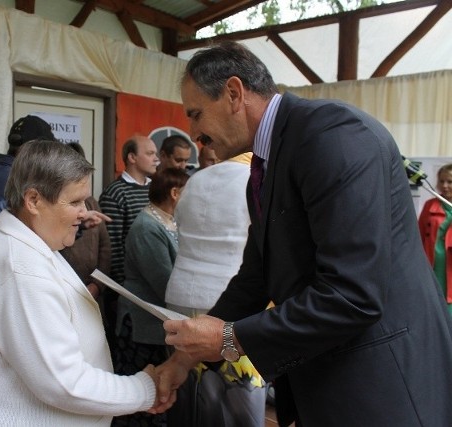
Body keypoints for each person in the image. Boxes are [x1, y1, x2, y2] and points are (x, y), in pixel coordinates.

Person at [153, 41, 452, 426]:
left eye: (196, 115)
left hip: (381, 384)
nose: (195, 135)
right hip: (333, 379)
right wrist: (185, 358)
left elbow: (352, 294)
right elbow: (256, 277)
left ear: (233, 93)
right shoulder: (269, 163)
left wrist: (229, 339)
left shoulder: (335, 137)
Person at [0, 140, 157, 426]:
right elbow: (65, 383)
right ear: (33, 200)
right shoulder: (20, 269)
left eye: (84, 200)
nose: (84, 212)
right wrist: (147, 389)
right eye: (74, 202)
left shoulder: (35, 244)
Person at [164, 153, 267, 425]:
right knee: (236, 399)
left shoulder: (196, 180)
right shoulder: (254, 180)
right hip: (234, 294)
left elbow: (180, 227)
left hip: (183, 292)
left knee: (186, 396)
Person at [112, 167, 189, 427]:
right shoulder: (147, 227)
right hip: (142, 326)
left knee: (160, 395)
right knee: (144, 401)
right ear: (175, 193)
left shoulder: (170, 221)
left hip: (158, 324)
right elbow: (166, 284)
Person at [99, 135, 158, 350]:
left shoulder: (156, 189)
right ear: (132, 157)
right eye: (150, 154)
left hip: (156, 289)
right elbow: (111, 247)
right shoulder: (115, 193)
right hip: (130, 295)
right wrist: (117, 293)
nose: (156, 159)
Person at [0, 115, 55, 254]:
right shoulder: (11, 182)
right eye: (45, 151)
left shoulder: (3, 174)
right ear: (30, 148)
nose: (48, 158)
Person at [60, 142, 111, 301]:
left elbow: (105, 247)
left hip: (92, 292)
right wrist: (78, 224)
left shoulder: (92, 202)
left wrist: (97, 285)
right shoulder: (55, 202)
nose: (81, 209)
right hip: (65, 290)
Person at [418, 163, 452, 315]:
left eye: (450, 182)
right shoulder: (430, 205)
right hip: (432, 265)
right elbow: (417, 237)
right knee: (433, 307)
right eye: (442, 181)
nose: (445, 186)